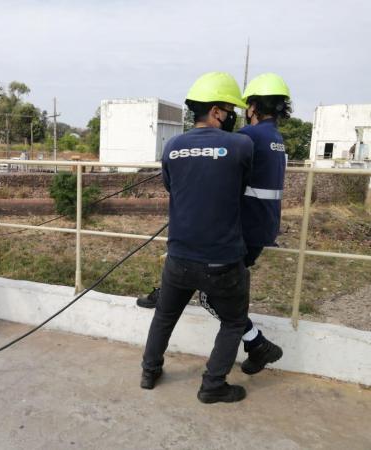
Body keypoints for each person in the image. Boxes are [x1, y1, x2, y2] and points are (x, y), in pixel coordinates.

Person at [138, 73, 291, 376]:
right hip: (259, 229)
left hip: (228, 236)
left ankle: (256, 344)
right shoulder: (273, 139)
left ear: (253, 107)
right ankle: (247, 353)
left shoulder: (244, 138)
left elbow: (188, 181)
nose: (237, 114)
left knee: (208, 299)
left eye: (242, 108)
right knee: (219, 294)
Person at [141, 72, 253, 404]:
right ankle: (213, 385)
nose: (232, 117)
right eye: (230, 110)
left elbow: (171, 186)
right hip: (223, 260)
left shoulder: (172, 146)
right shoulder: (241, 145)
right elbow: (242, 185)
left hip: (179, 256)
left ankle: (149, 371)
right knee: (233, 322)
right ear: (217, 111)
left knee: (165, 315)